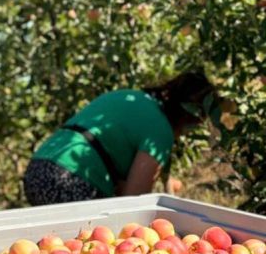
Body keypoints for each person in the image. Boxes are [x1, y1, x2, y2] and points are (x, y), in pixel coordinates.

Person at [23, 71, 217, 205]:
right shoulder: (160, 132)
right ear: (190, 117)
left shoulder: (129, 96)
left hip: (38, 169)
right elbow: (133, 199)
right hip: (72, 182)